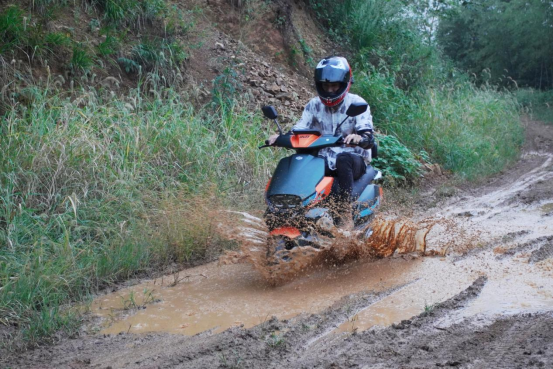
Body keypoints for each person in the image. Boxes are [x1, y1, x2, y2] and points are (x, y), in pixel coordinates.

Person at [268, 56, 375, 229]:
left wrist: (359, 138)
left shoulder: (357, 103)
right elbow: (300, 128)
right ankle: (292, 210)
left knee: (344, 159)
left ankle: (345, 213)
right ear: (320, 85)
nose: (330, 91)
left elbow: (367, 133)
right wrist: (280, 137)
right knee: (301, 162)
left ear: (344, 83)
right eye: (326, 86)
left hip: (353, 160)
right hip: (323, 160)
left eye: (334, 86)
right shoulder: (313, 105)